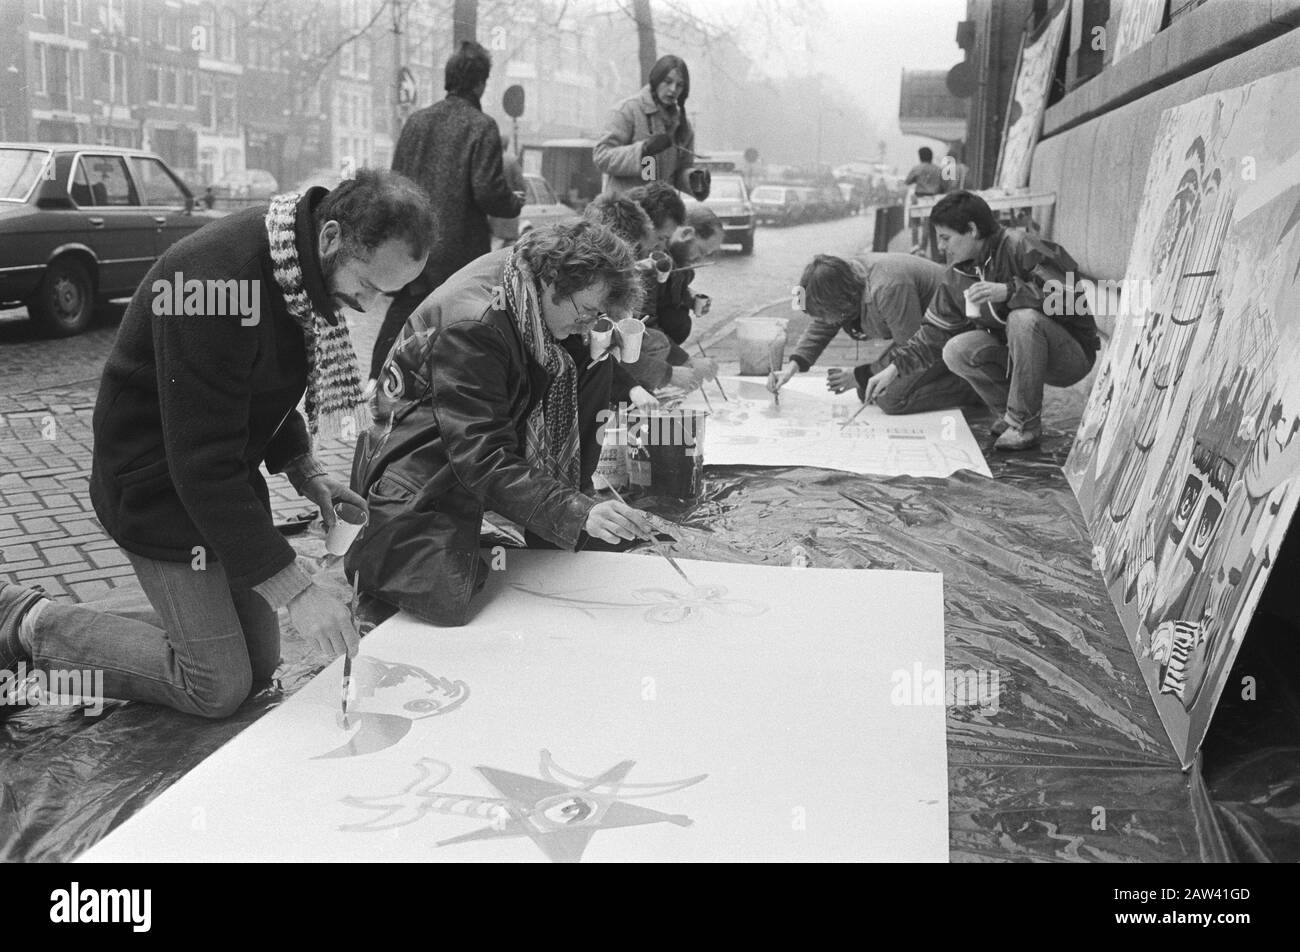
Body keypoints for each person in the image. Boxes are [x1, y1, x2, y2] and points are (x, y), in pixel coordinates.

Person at [0, 170, 434, 718]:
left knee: (259, 661)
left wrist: (306, 470)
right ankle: (24, 620)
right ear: (330, 238)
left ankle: (188, 627)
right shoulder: (215, 284)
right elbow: (199, 464)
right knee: (217, 686)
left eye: (387, 294)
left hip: (213, 473)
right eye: (369, 285)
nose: (369, 306)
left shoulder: (297, 270)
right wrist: (297, 591)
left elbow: (259, 392)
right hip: (154, 486)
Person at [348, 221, 655, 628]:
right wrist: (573, 510)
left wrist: (594, 353)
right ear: (551, 280)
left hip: (461, 452)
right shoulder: (474, 328)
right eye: (587, 313)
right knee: (446, 597)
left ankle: (515, 526)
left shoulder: (529, 285)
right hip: (414, 476)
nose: (589, 325)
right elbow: (482, 457)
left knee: (597, 366)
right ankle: (406, 557)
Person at [862, 190, 1101, 450]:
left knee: (1022, 319)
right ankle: (1009, 414)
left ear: (972, 229)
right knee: (956, 349)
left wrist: (1009, 291)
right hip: (1021, 355)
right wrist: (892, 370)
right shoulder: (960, 272)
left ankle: (1024, 424)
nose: (941, 247)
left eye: (946, 238)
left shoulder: (1021, 245)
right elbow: (932, 333)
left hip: (1070, 356)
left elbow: (1070, 299)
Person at [370, 40, 523, 381]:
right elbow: (487, 192)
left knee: (402, 316)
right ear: (481, 83)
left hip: (411, 244)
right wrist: (513, 201)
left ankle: (377, 384)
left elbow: (394, 183)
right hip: (457, 249)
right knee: (458, 321)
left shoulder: (416, 122)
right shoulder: (481, 126)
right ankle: (449, 393)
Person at [769, 252, 979, 415]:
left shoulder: (888, 287)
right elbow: (822, 325)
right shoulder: (845, 278)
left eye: (824, 313)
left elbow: (911, 347)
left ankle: (973, 383)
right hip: (923, 334)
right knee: (868, 391)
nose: (823, 320)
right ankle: (945, 376)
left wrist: (860, 375)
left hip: (953, 334)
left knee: (891, 400)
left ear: (840, 302)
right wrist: (791, 368)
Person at [593, 54, 710, 201]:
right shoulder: (627, 111)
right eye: (668, 82)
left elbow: (680, 171)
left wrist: (693, 179)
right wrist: (643, 150)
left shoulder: (682, 126)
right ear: (656, 80)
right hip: (625, 213)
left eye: (679, 85)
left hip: (661, 215)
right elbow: (602, 157)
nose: (673, 89)